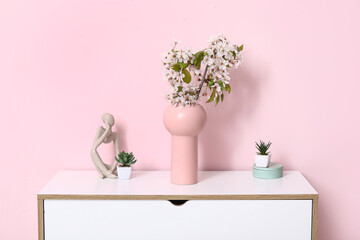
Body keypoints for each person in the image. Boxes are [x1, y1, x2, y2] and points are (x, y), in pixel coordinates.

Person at [90, 113, 120, 179]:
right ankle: (106, 172)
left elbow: (118, 153)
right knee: (92, 151)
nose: (112, 119)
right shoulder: (100, 129)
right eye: (110, 118)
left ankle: (104, 173)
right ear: (105, 121)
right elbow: (95, 146)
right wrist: (107, 130)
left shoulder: (115, 135)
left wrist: (112, 168)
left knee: (117, 170)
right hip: (104, 131)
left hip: (110, 167)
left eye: (112, 118)